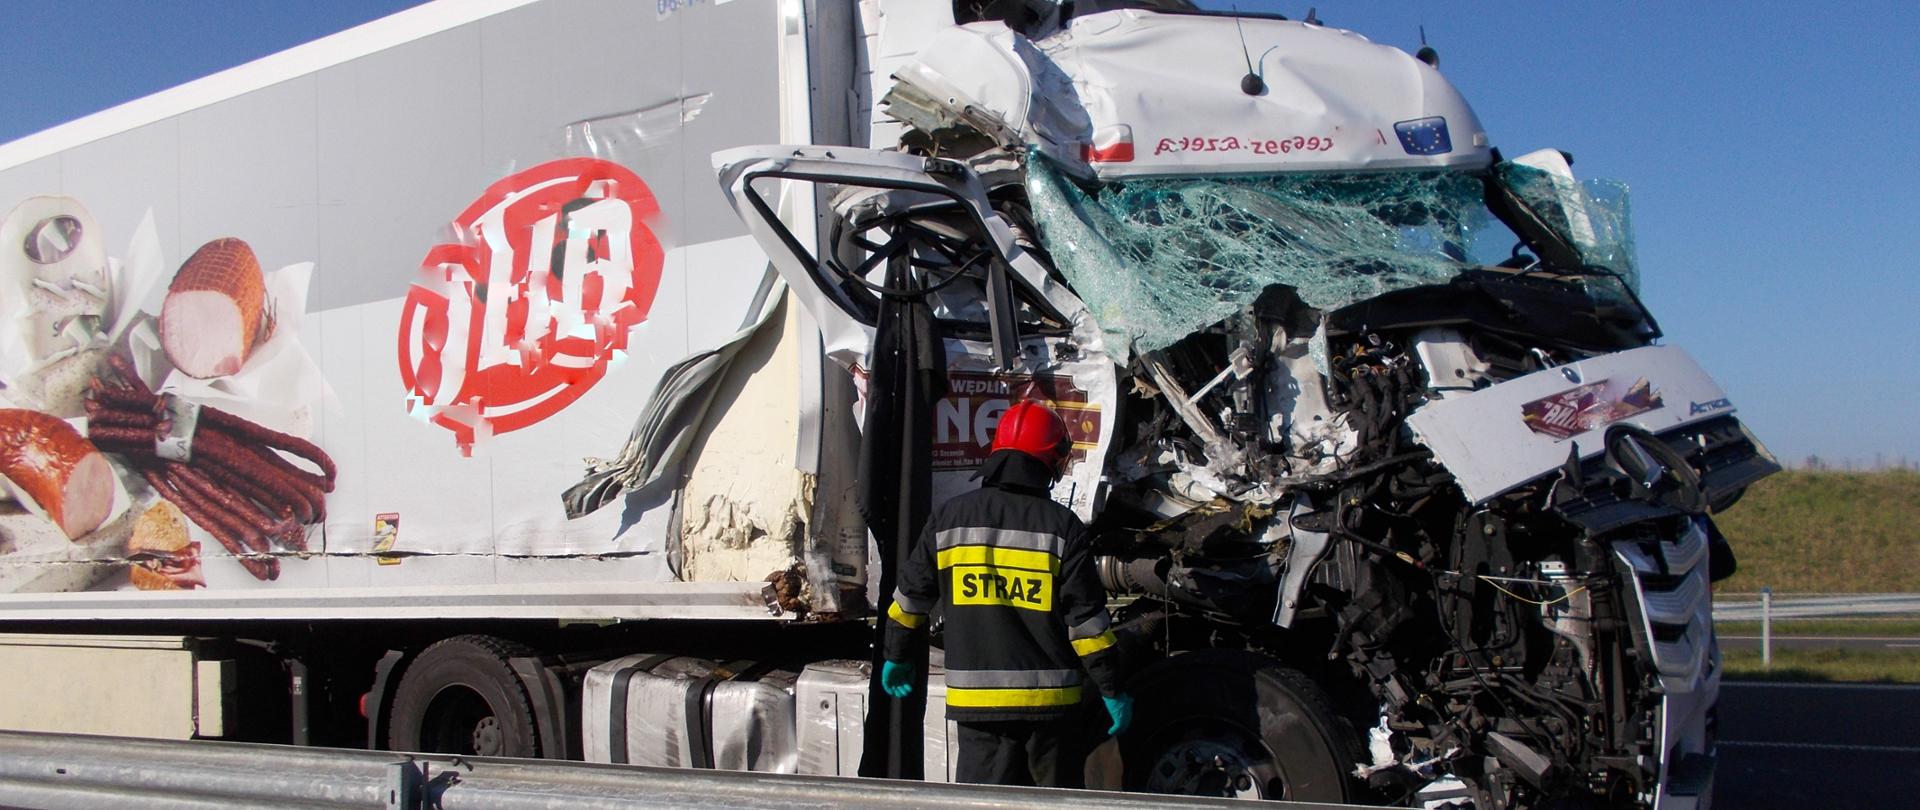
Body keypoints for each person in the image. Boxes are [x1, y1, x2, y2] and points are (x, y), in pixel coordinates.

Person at [879, 400, 1132, 787]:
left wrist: (896, 654)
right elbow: (1087, 626)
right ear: (1052, 461)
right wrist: (1112, 688)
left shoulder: (948, 520)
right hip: (1050, 713)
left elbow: (909, 602)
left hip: (979, 710)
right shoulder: (1063, 528)